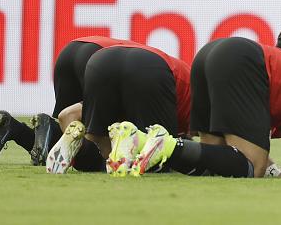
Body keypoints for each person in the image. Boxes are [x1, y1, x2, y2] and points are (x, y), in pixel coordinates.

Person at [128, 36, 281, 181]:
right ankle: (166, 144)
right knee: (253, 167)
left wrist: (275, 170)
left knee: (217, 162)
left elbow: (252, 132)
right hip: (244, 61)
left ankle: (139, 141)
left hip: (214, 53)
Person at [45, 41, 192, 176]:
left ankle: (81, 147)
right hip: (150, 69)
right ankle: (114, 158)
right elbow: (207, 144)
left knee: (98, 140)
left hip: (101, 60)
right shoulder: (195, 102)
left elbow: (67, 114)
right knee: (159, 159)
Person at [0, 35, 124, 167]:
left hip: (70, 50)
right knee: (95, 158)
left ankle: (14, 128)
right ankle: (50, 129)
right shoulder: (144, 68)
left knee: (67, 136)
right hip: (100, 60)